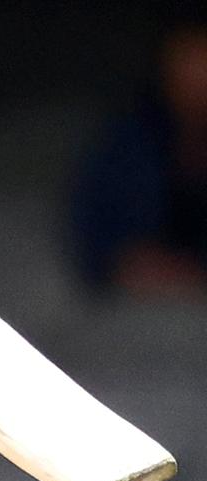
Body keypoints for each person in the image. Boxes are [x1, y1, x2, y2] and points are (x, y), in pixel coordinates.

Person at [70, 13, 207, 298]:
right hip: (136, 309)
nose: (197, 82)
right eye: (186, 64)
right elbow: (95, 248)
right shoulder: (128, 145)